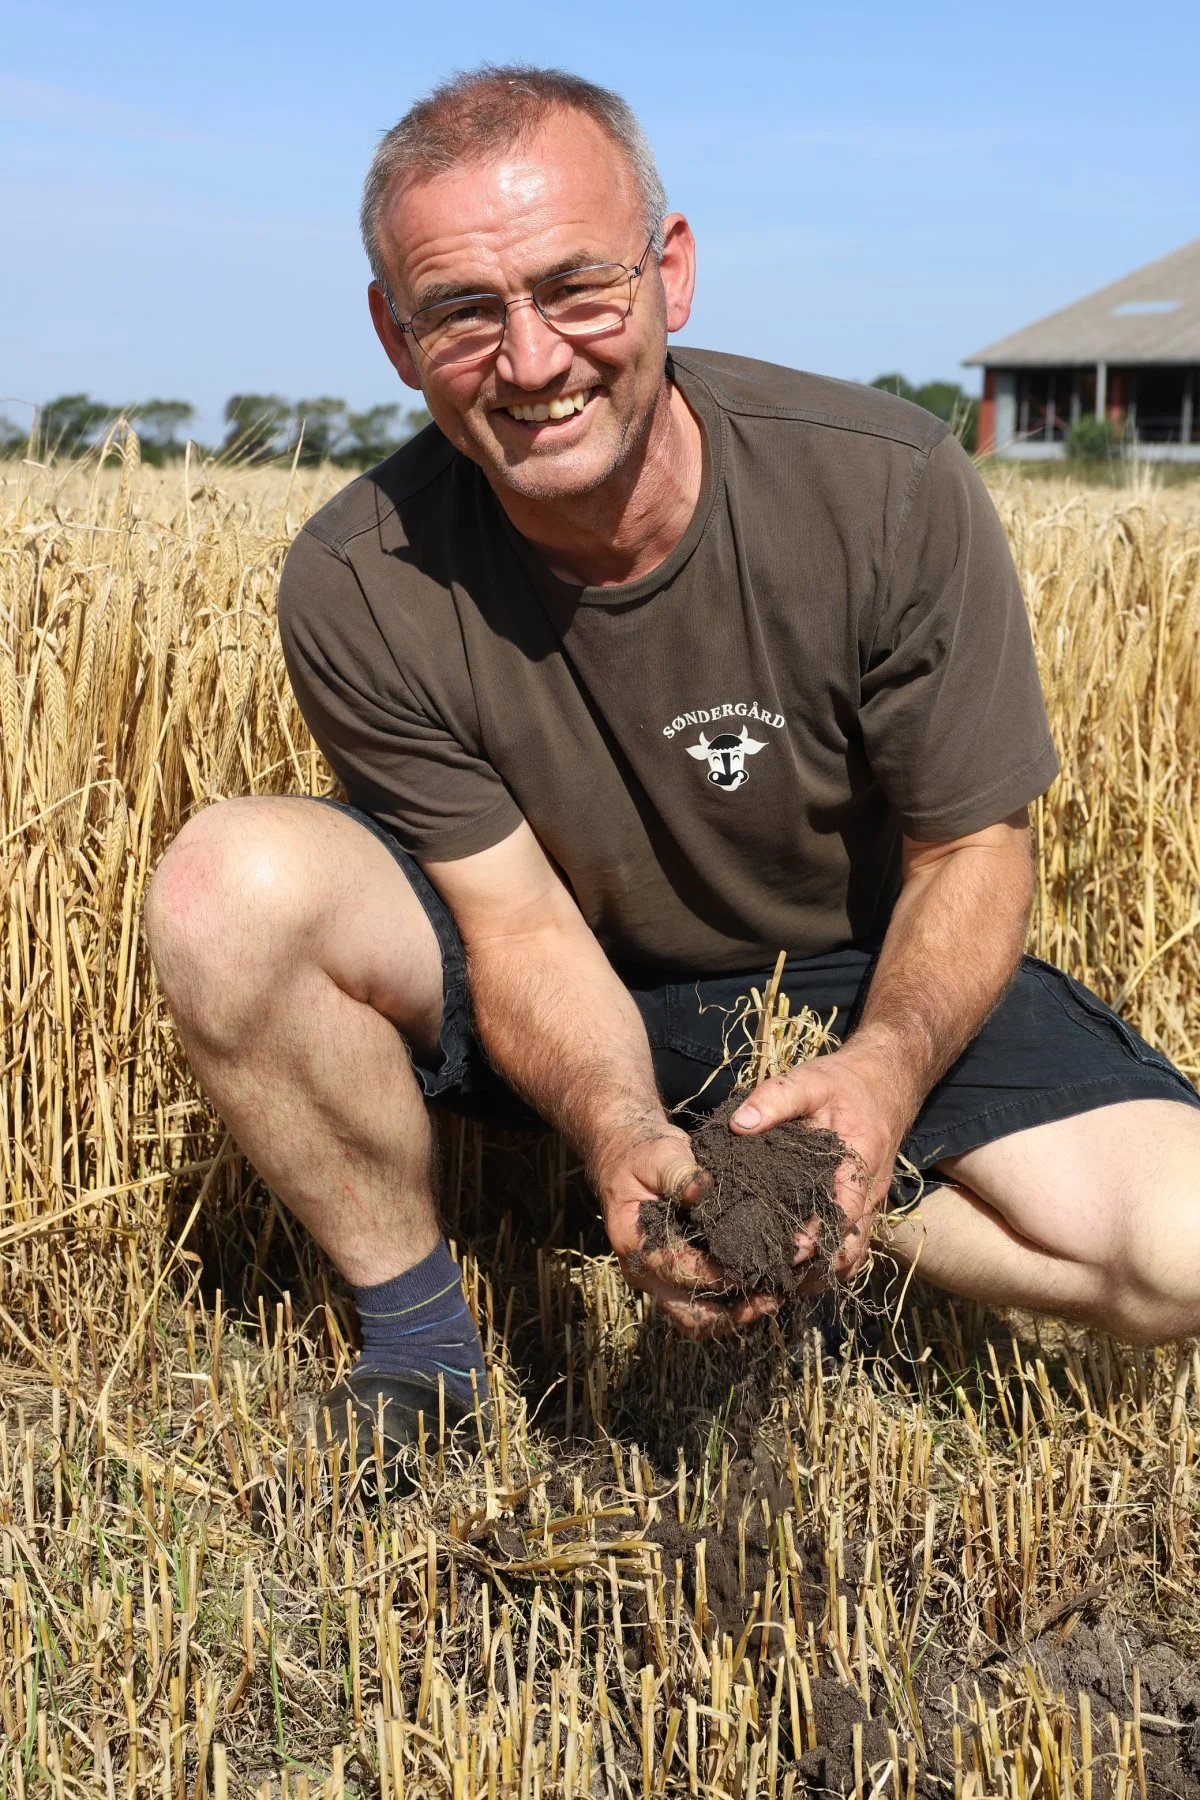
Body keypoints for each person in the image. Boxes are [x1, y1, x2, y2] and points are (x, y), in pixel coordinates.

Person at [145, 65, 1200, 1468]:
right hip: (562, 964)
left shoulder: (882, 485)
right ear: (397, 341)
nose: (532, 362)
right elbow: (514, 922)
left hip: (847, 972)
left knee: (1179, 1250)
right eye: (464, 311)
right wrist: (614, 1117)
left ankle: (806, 1216)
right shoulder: (360, 576)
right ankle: (420, 1350)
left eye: (577, 288)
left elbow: (972, 850)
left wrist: (880, 1074)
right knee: (228, 889)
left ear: (672, 271)